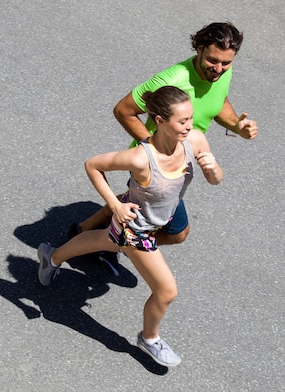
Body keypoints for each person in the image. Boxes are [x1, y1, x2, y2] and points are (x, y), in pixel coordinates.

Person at [38, 86, 223, 367]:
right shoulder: (140, 158)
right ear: (160, 121)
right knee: (166, 291)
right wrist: (115, 205)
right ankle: (149, 339)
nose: (189, 126)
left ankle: (51, 256)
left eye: (190, 118)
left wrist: (213, 170)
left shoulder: (195, 141)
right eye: (182, 121)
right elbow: (92, 165)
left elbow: (215, 179)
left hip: (152, 219)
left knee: (102, 239)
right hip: (136, 228)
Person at [71, 22, 256, 246]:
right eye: (212, 60)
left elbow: (218, 100)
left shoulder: (221, 72)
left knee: (138, 203)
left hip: (181, 157)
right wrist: (153, 153)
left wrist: (237, 126)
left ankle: (85, 229)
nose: (218, 68)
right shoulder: (171, 80)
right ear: (199, 49)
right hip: (153, 162)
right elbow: (123, 110)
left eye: (226, 63)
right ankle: (110, 245)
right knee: (177, 232)